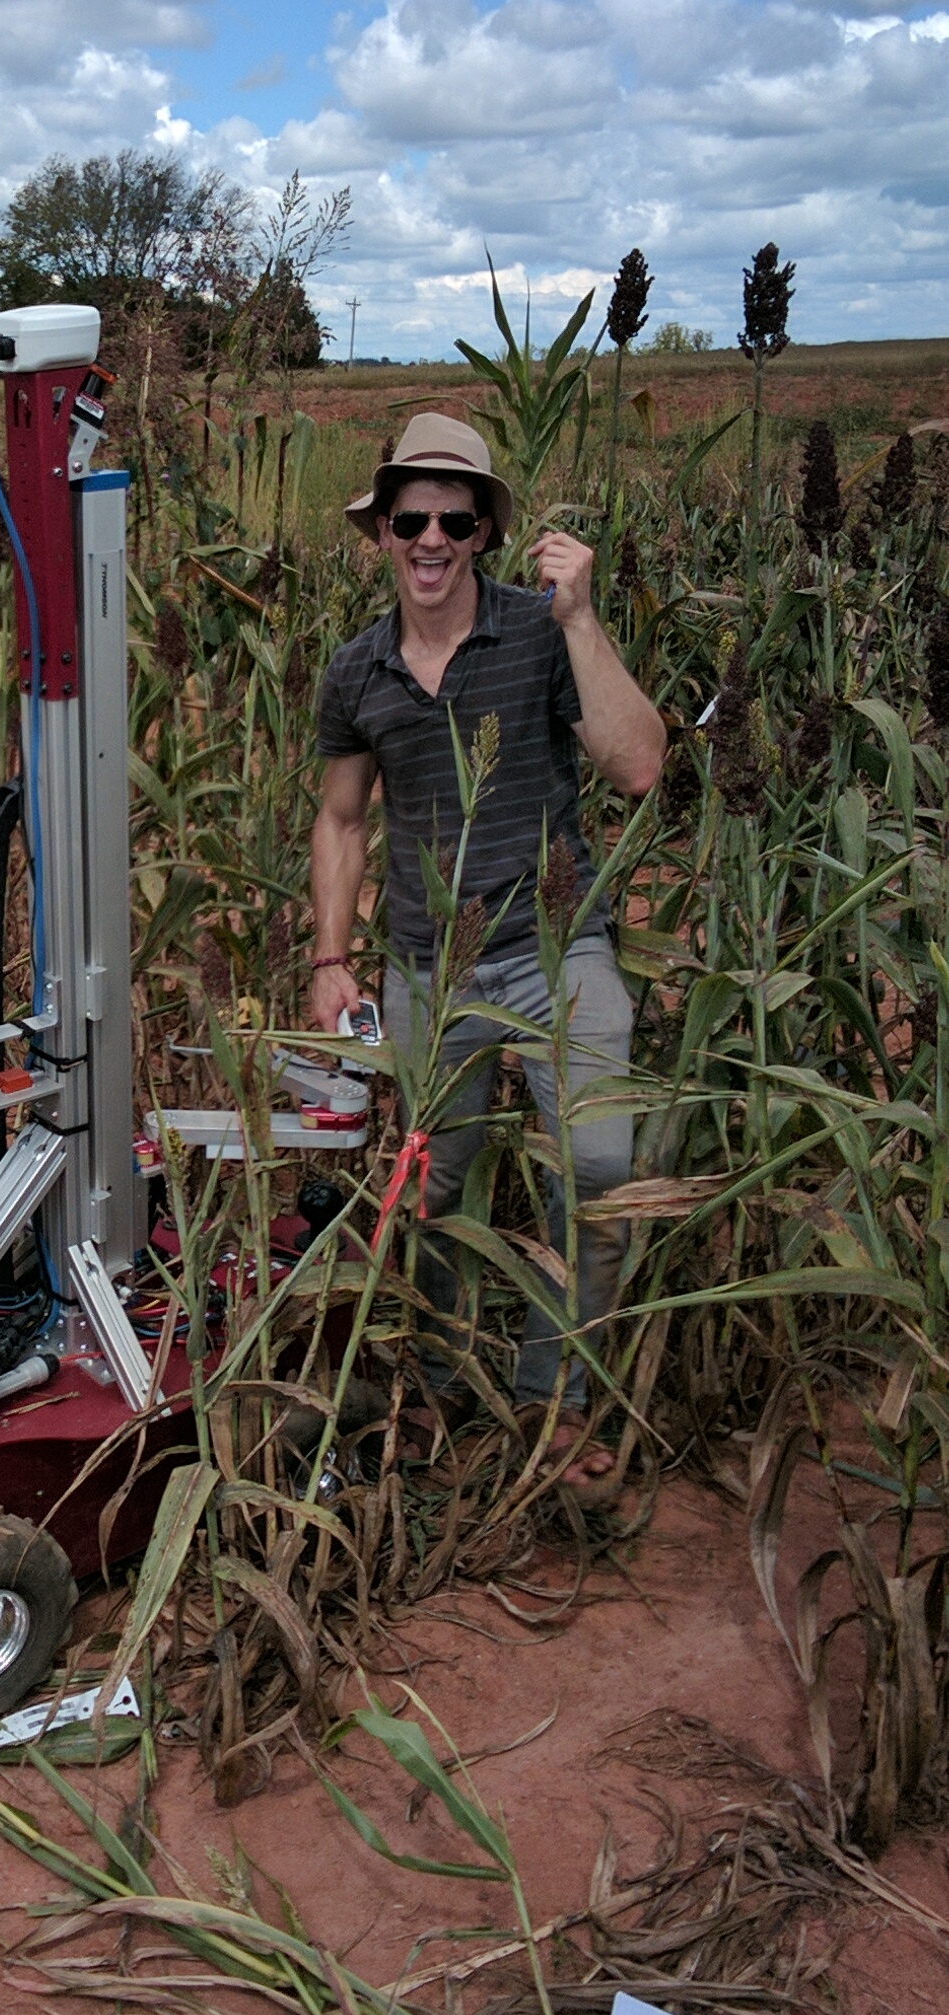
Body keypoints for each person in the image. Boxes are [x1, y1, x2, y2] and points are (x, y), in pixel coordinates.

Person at [308, 412, 666, 1477]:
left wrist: (582, 619)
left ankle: (555, 1391)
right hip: (428, 962)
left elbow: (638, 766)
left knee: (597, 1170)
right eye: (407, 517)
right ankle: (445, 1377)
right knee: (432, 1183)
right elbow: (339, 819)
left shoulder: (540, 631)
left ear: (480, 533)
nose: (428, 538)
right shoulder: (357, 670)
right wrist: (329, 960)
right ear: (379, 531)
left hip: (555, 949)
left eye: (450, 519)